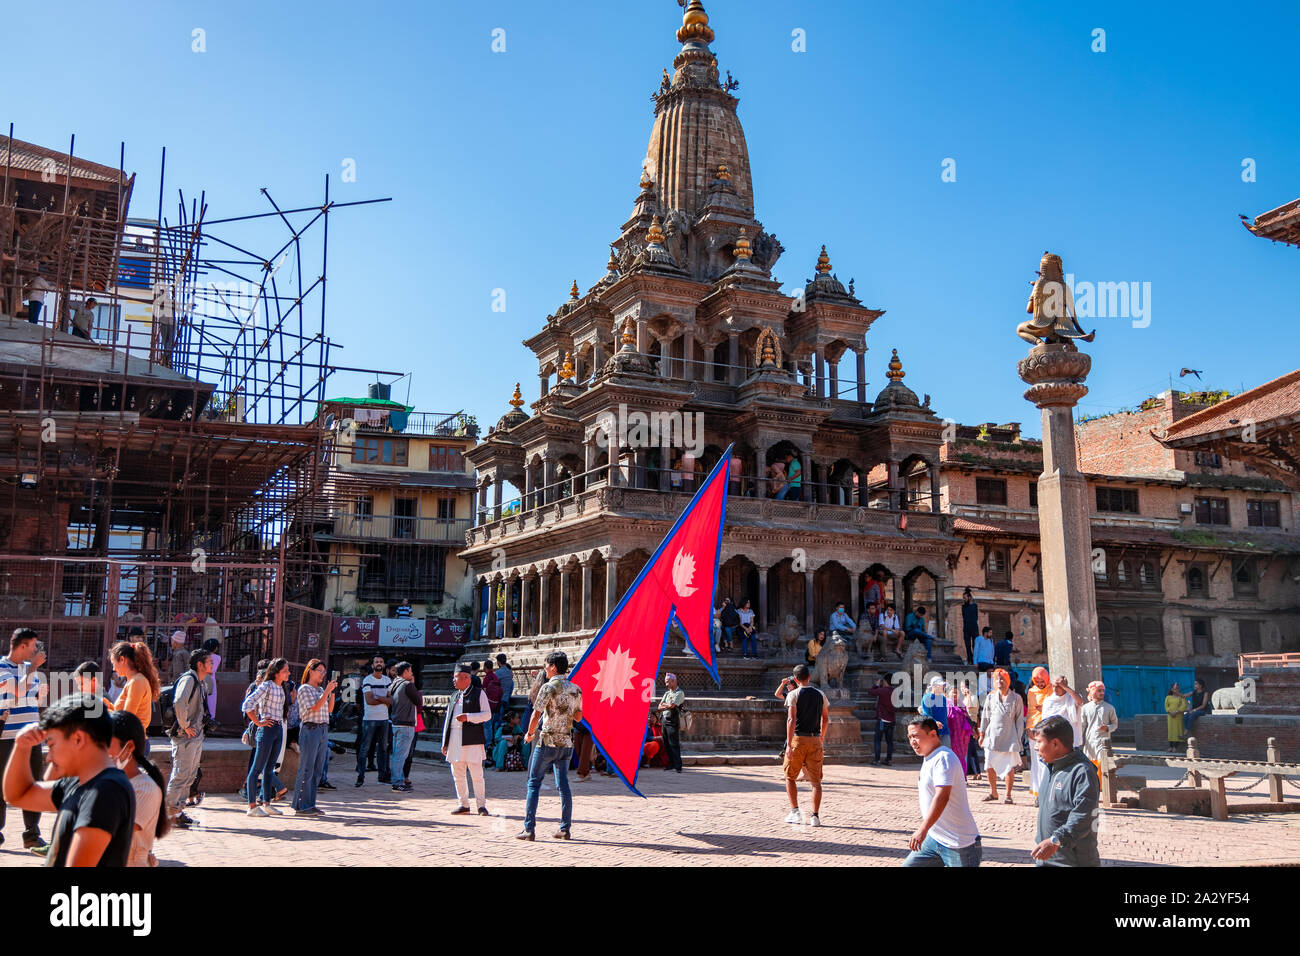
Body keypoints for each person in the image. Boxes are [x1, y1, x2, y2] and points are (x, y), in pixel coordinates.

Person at [3, 695, 135, 867]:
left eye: (51, 745)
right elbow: (19, 795)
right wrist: (22, 747)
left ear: (78, 739)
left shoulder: (105, 792)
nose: (49, 758)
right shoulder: (79, 783)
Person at [518, 651, 583, 840]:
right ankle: (565, 828)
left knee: (533, 783)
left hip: (547, 740)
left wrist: (529, 734)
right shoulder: (576, 688)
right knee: (563, 786)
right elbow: (578, 716)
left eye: (546, 665)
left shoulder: (548, 687)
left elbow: (535, 714)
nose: (545, 669)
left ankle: (529, 828)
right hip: (566, 742)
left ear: (553, 667)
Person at [903, 716, 982, 867]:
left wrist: (922, 830)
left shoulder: (943, 758)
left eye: (916, 736)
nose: (912, 741)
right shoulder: (929, 757)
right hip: (934, 840)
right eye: (910, 737)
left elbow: (942, 797)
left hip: (960, 844)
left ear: (933, 734)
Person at [1030, 714, 1101, 867]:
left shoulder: (1082, 772)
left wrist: (1056, 840)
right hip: (1046, 857)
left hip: (1073, 861)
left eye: (1039, 742)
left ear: (1055, 744)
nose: (1035, 747)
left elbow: (1084, 815)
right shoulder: (1050, 767)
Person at [0, 627, 47, 850]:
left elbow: (33, 698)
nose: (36, 650)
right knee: (2, 784)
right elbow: (18, 692)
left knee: (33, 784)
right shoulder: (1, 667)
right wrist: (34, 669)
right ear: (22, 645)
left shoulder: (30, 669)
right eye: (34, 645)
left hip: (33, 736)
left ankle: (31, 834)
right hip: (8, 738)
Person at [107, 711, 169, 867]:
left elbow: (111, 831)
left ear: (129, 747)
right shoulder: (111, 782)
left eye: (107, 745)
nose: (101, 752)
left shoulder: (146, 789)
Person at [165, 648, 213, 829]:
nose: (212, 665)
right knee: (180, 775)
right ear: (199, 664)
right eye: (209, 662)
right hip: (185, 737)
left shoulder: (201, 682)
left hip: (195, 736)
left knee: (189, 775)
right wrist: (185, 724)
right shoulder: (189, 679)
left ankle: (177, 812)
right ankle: (168, 814)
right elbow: (179, 701)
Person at [241, 658, 290, 817]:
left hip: (277, 728)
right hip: (267, 729)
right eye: (285, 671)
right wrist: (258, 722)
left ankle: (267, 803)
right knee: (256, 769)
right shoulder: (267, 685)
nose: (288, 673)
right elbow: (247, 704)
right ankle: (252, 805)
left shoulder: (281, 687)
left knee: (270, 769)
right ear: (276, 672)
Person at [782, 664, 828, 826]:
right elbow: (826, 718)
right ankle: (815, 816)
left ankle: (795, 812)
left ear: (795, 679)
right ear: (809, 676)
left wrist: (788, 744)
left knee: (790, 776)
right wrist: (821, 737)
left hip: (798, 739)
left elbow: (791, 719)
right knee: (816, 782)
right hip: (815, 738)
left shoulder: (793, 694)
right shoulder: (820, 694)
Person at [443, 664, 491, 814]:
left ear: (466, 678)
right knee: (458, 774)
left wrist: (468, 717)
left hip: (472, 739)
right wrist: (445, 742)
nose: (453, 680)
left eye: (455, 677)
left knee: (477, 774)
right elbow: (448, 720)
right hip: (455, 739)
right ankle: (463, 804)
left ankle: (481, 805)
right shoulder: (454, 696)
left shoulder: (479, 694)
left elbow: (487, 715)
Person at [292, 660, 337, 815]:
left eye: (324, 672)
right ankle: (301, 805)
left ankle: (310, 804)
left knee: (317, 769)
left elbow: (329, 710)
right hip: (310, 729)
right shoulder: (304, 689)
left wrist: (331, 693)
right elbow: (315, 707)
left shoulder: (321, 689)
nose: (322, 674)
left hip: (323, 728)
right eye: (320, 671)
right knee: (307, 768)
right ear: (310, 671)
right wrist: (326, 693)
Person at [978, 668, 1025, 804]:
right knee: (989, 765)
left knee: (1009, 766)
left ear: (1008, 681)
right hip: (992, 735)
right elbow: (985, 717)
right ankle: (993, 792)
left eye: (1002, 679)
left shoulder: (1016, 698)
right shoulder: (990, 697)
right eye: (997, 679)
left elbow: (1019, 720)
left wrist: (1018, 739)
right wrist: (982, 734)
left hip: (1009, 736)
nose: (1000, 681)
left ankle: (1008, 795)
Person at [108, 641, 161, 741]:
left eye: (113, 663)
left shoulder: (137, 681)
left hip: (133, 741)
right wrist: (107, 705)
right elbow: (122, 712)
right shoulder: (133, 680)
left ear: (122, 659)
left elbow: (127, 717)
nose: (113, 668)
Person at [356, 654, 391, 786]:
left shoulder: (388, 680)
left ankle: (382, 777)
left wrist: (378, 697)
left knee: (383, 749)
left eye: (381, 662)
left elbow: (391, 700)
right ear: (372, 665)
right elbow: (369, 700)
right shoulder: (367, 680)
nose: (379, 663)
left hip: (384, 719)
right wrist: (384, 699)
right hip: (369, 719)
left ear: (384, 665)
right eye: (376, 662)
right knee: (364, 748)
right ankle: (360, 776)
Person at [389, 661, 422, 792]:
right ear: (405, 672)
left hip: (397, 723)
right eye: (410, 671)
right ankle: (397, 782)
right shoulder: (407, 685)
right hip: (406, 724)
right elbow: (418, 701)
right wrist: (413, 684)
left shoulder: (394, 684)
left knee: (398, 754)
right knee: (401, 755)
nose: (412, 673)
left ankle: (399, 779)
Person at [1079, 680, 1117, 777]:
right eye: (1099, 690)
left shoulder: (1109, 708)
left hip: (1103, 742)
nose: (1102, 693)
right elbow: (1082, 726)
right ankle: (1093, 786)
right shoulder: (1085, 708)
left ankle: (1103, 787)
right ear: (1092, 692)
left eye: (1103, 691)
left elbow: (1115, 724)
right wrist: (1078, 740)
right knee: (1090, 766)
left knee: (1103, 764)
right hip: (1089, 742)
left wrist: (1107, 728)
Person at [1025, 666, 1052, 803]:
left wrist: (1045, 708)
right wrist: (1028, 728)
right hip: (1034, 730)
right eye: (1038, 682)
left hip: (1047, 729)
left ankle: (1045, 792)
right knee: (1036, 762)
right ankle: (1037, 793)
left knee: (1045, 761)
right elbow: (1031, 711)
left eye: (1043, 681)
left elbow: (1053, 708)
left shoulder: (1051, 690)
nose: (1040, 684)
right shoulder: (1031, 692)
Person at [657, 673, 685, 773]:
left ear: (674, 681)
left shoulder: (679, 693)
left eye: (668, 682)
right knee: (666, 743)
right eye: (666, 682)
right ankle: (670, 763)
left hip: (673, 720)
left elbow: (672, 706)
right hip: (664, 719)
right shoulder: (667, 693)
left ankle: (678, 766)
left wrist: (666, 705)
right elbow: (659, 707)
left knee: (674, 743)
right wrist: (666, 705)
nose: (666, 684)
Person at [865, 675, 896, 766]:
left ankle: (877, 760)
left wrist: (877, 685)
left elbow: (870, 692)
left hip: (882, 720)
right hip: (891, 720)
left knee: (877, 740)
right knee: (889, 741)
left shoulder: (883, 690)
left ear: (885, 681)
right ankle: (888, 760)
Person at [946, 687, 975, 776]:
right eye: (952, 693)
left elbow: (967, 717)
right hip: (951, 734)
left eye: (956, 693)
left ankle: (962, 777)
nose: (955, 695)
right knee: (952, 756)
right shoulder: (946, 704)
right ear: (948, 694)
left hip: (962, 735)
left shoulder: (961, 704)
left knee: (961, 756)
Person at [482, 659, 503, 758]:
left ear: (485, 667)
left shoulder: (487, 678)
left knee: (487, 726)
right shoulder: (495, 676)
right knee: (493, 724)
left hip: (487, 705)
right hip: (496, 704)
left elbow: (484, 692)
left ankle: (488, 743)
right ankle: (492, 742)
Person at [201, 637, 221, 720]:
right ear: (215, 648)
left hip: (201, 678)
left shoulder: (201, 656)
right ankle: (211, 718)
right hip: (211, 680)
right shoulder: (217, 658)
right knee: (211, 701)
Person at [1165, 682, 1187, 752]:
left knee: (1178, 730)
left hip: (1178, 716)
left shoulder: (1181, 697)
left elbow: (1184, 706)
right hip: (1170, 716)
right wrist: (1170, 712)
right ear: (1171, 689)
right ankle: (1170, 746)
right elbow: (1166, 706)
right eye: (1174, 689)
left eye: (1177, 688)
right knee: (1171, 731)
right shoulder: (1168, 697)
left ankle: (1175, 747)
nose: (1176, 690)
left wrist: (1177, 712)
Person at [973, 626, 995, 694]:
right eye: (990, 632)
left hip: (990, 662)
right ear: (985, 633)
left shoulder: (991, 640)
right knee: (983, 677)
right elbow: (976, 650)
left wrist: (993, 660)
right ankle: (982, 691)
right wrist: (975, 662)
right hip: (982, 661)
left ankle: (990, 690)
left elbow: (992, 651)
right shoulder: (979, 639)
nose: (991, 634)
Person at [960, 588, 979, 664]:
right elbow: (964, 617)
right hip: (966, 628)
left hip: (974, 628)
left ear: (969, 597)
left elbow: (976, 617)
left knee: (975, 645)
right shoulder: (963, 607)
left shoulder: (974, 606)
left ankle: (975, 660)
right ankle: (969, 660)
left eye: (965, 598)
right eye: (963, 598)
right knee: (967, 645)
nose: (964, 599)